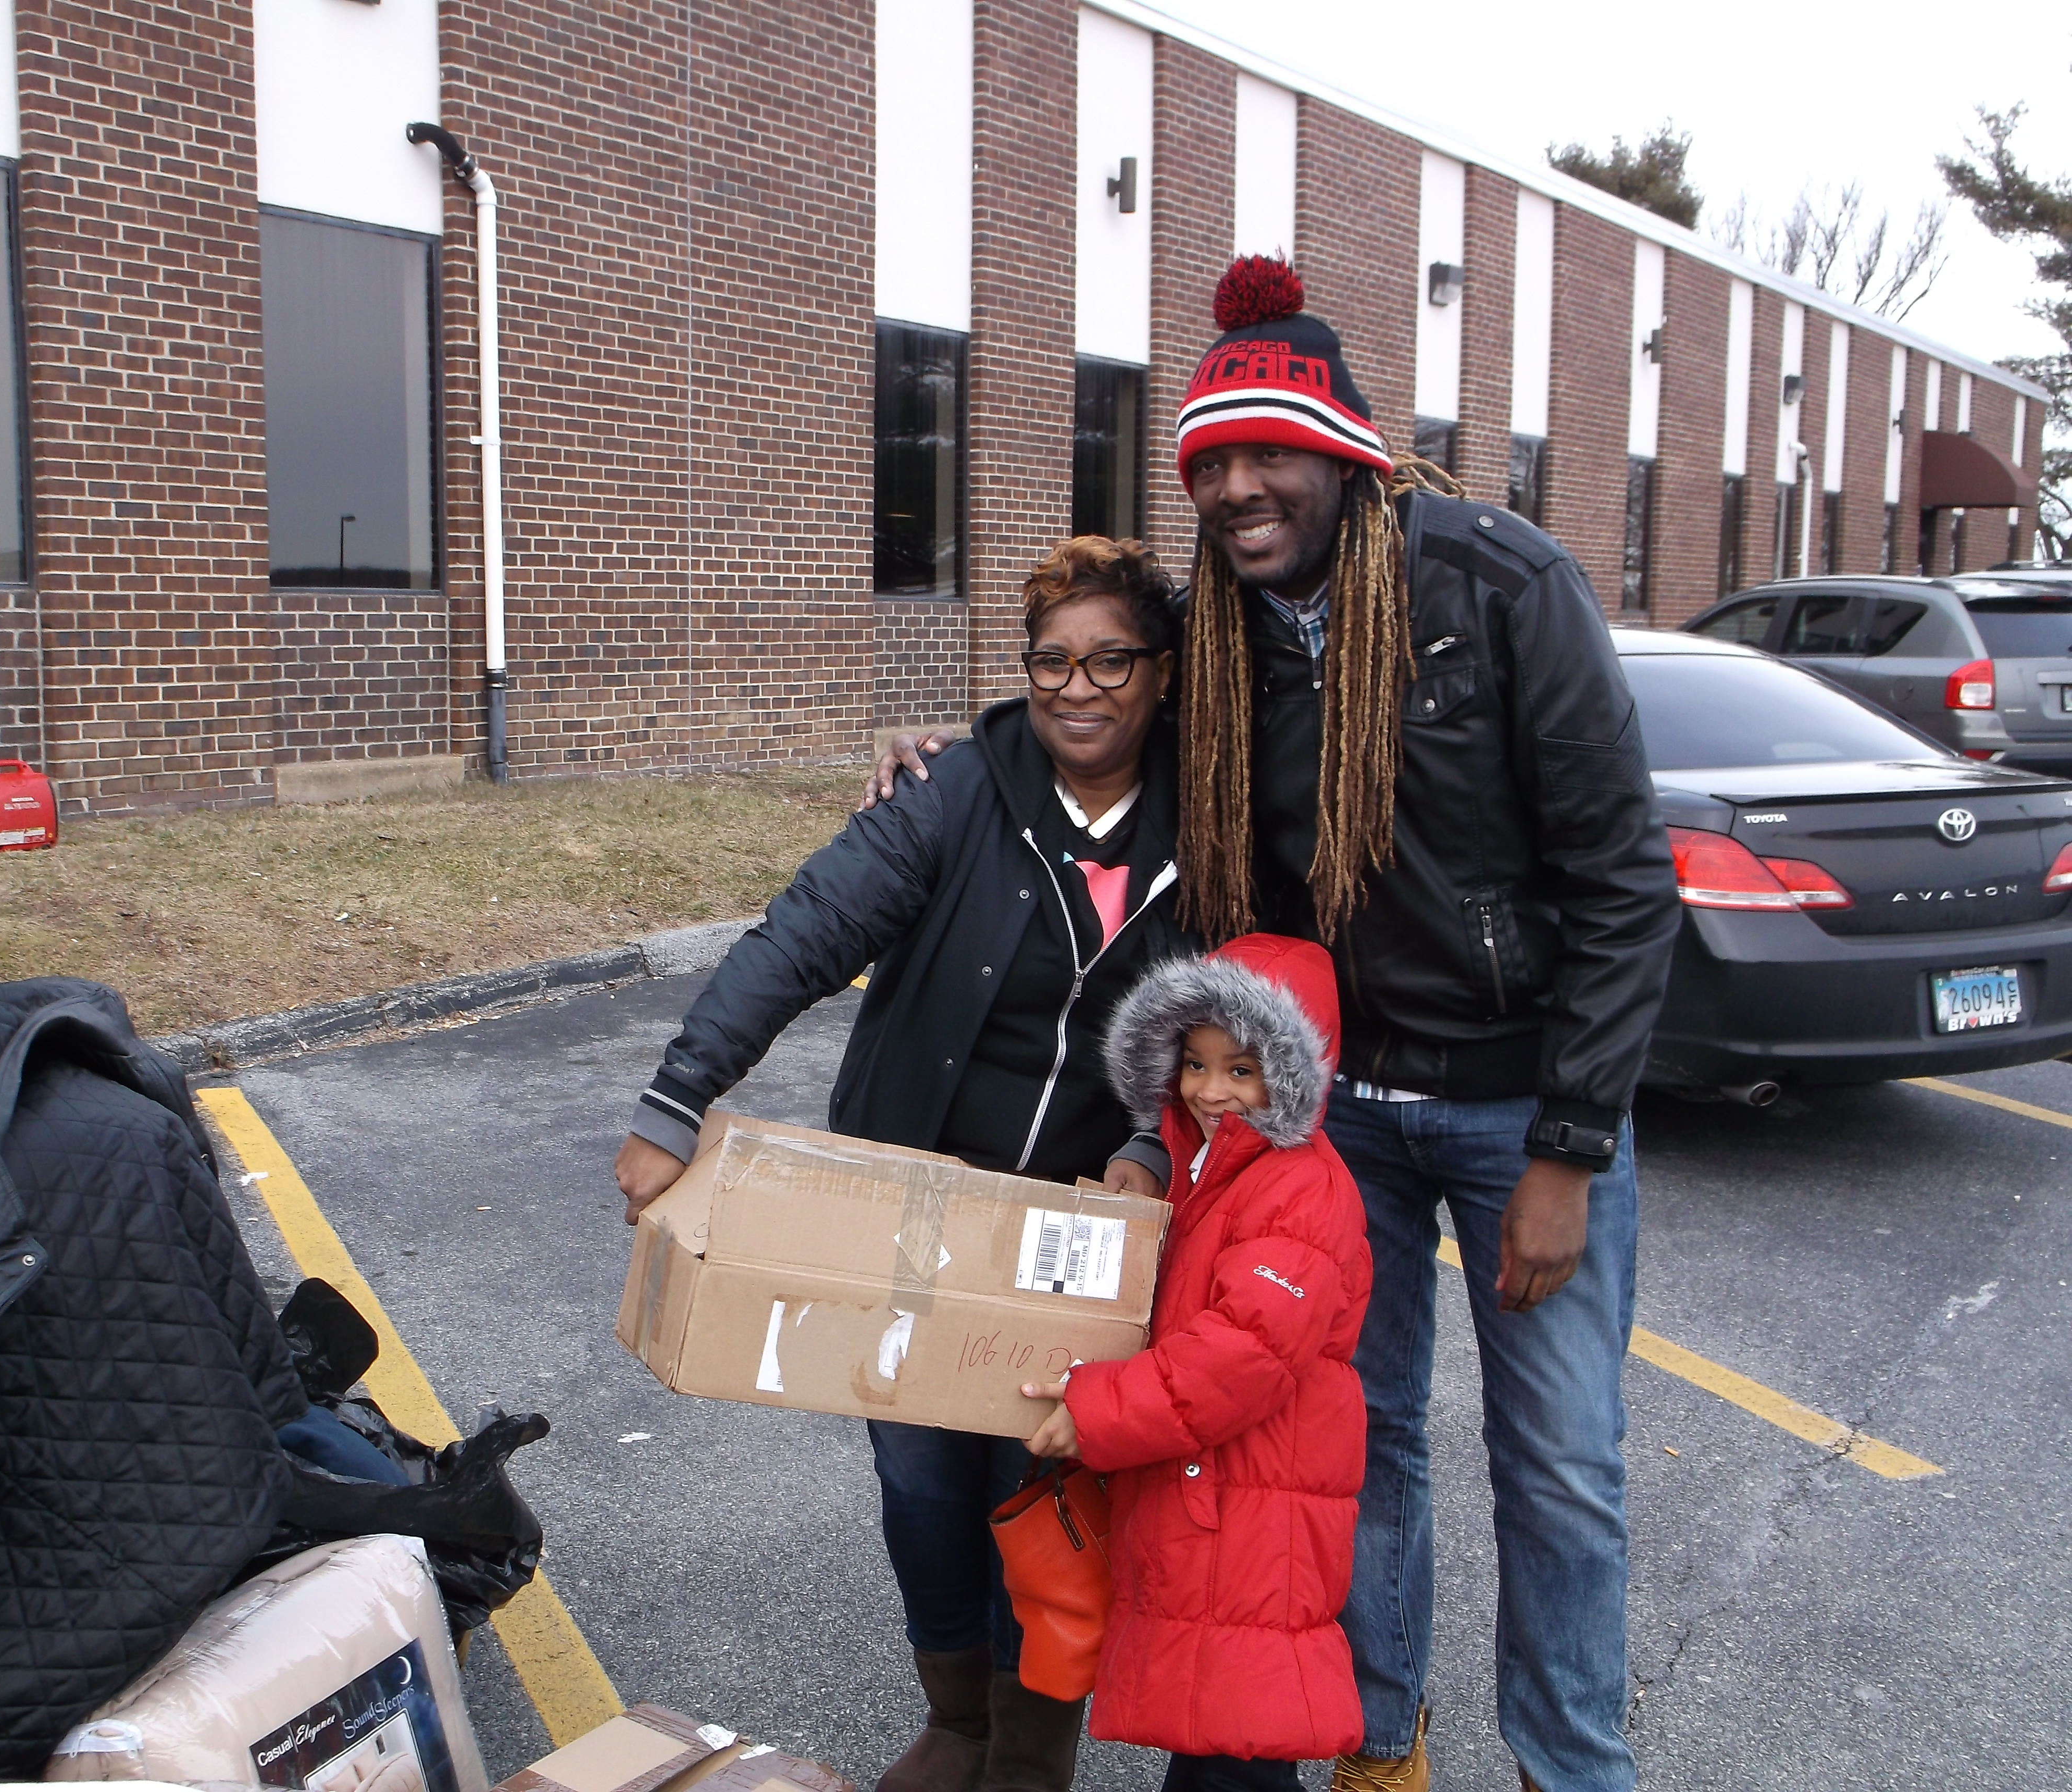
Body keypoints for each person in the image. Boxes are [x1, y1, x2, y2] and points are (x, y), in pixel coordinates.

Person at [872, 256, 1680, 1792]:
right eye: (1213, 463)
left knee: (1562, 1465)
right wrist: (961, 756)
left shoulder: (1500, 586)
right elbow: (1087, 693)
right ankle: (1379, 1742)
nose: (1241, 488)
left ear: (1346, 454)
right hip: (1337, 1112)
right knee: (1356, 1442)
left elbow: (1627, 882)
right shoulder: (1225, 638)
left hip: (1523, 1106)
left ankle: (1574, 1768)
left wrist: (1574, 1144)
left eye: (1270, 453)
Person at [614, 537, 1202, 1792]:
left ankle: (1035, 1742)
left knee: (1050, 1478)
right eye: (1050, 659)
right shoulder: (959, 791)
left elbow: (1216, 1017)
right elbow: (807, 930)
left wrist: (1153, 1147)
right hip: (918, 1204)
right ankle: (959, 1717)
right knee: (927, 1474)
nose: (1076, 688)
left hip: (1086, 1226)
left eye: (1110, 659)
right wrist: (678, 1097)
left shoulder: (1208, 825)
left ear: (1162, 674)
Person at [1020, 932, 1371, 1792]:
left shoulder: (1302, 1191)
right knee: (1218, 1731)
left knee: (1239, 1738)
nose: (1212, 1091)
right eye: (1197, 1065)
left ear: (1292, 1074)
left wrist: (1098, 1410)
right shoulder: (1208, 1169)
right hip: (1218, 1493)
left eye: (1242, 1070)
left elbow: (1241, 1353)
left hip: (1256, 1510)